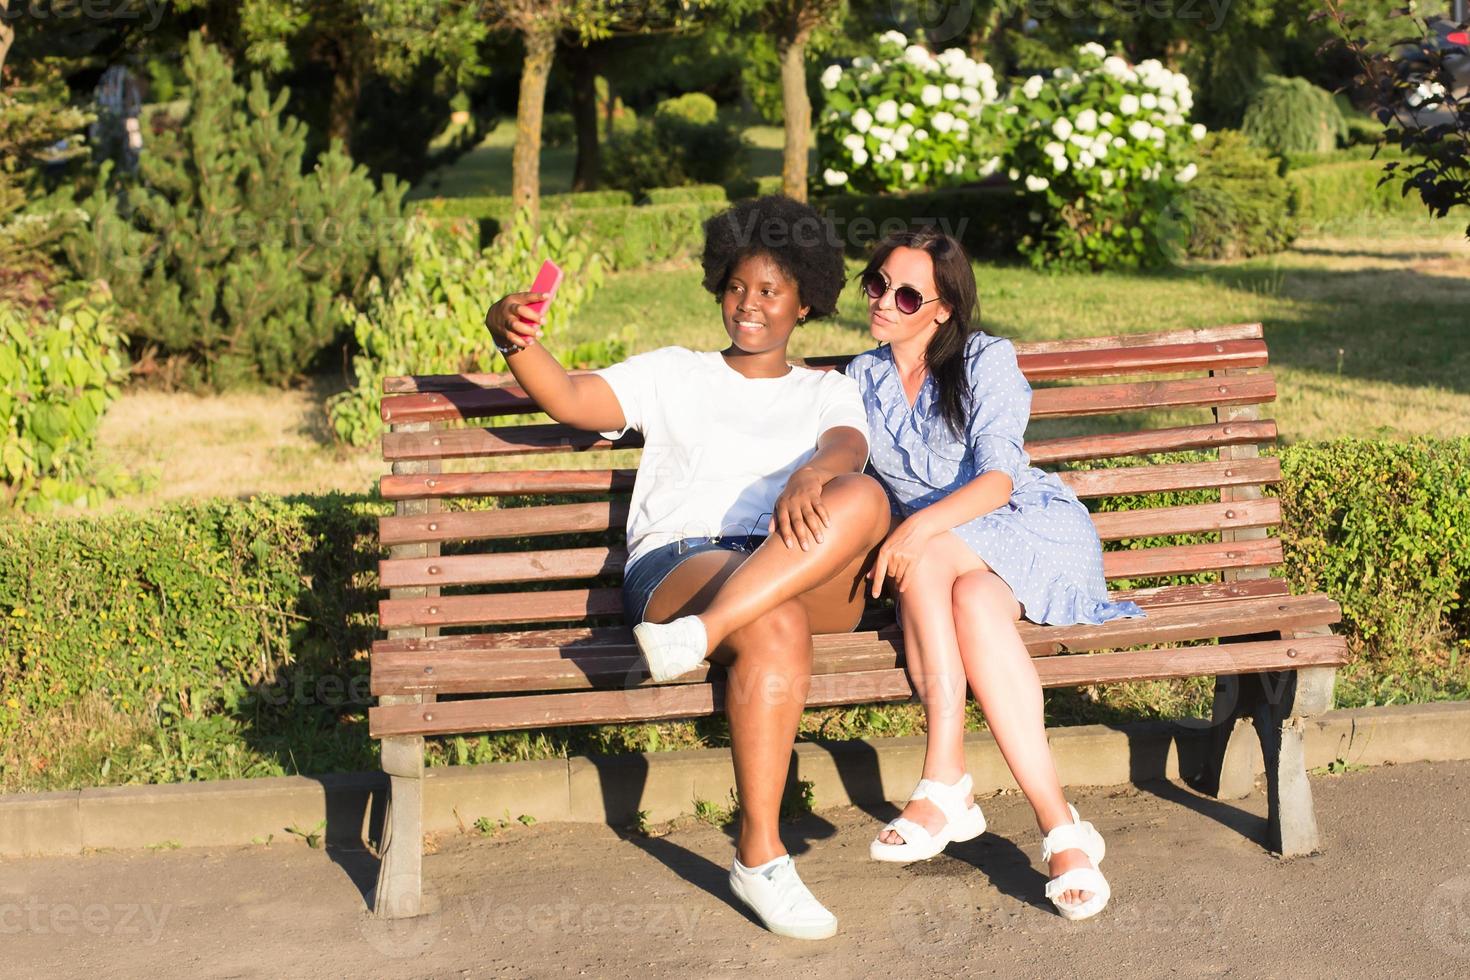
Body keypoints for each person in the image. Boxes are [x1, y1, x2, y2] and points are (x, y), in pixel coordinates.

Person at [482, 196, 891, 940]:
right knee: (773, 623)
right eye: (738, 287)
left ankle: (703, 633)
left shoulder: (826, 390)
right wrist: (514, 341)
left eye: (770, 291)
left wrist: (812, 476)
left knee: (861, 495)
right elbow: (571, 399)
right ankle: (761, 857)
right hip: (683, 562)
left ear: (805, 301)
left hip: (794, 556)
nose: (750, 305)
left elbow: (847, 450)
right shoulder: (674, 374)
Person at [844, 227, 1144, 921]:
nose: (886, 301)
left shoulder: (985, 359)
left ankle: (944, 777)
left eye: (907, 293)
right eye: (878, 283)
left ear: (943, 308)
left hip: (1025, 527)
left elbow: (1001, 479)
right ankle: (1060, 828)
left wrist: (918, 526)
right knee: (974, 601)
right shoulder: (861, 379)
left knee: (931, 551)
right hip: (958, 571)